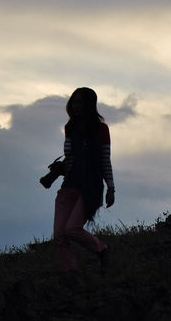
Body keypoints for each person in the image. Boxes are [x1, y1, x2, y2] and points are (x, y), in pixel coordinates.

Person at [52, 87, 115, 272]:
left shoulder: (101, 129)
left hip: (90, 186)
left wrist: (110, 187)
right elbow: (70, 156)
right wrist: (59, 170)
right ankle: (70, 273)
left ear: (89, 105)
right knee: (59, 235)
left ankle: (102, 249)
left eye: (80, 102)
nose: (76, 106)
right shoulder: (70, 128)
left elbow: (105, 160)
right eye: (74, 102)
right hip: (69, 185)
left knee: (72, 229)